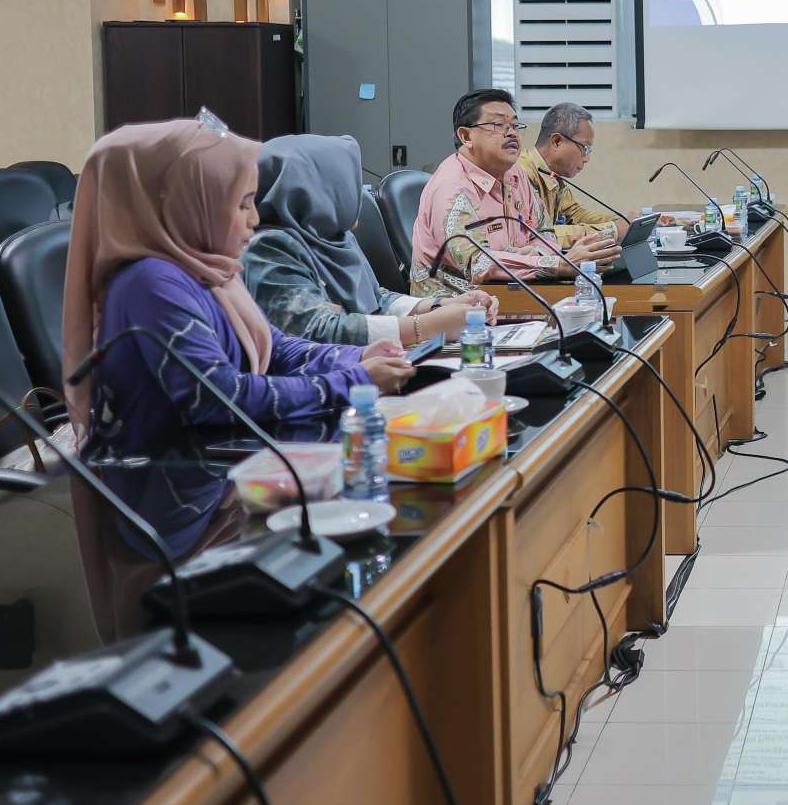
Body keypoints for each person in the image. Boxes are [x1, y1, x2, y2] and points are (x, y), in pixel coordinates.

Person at [61, 118, 410, 575]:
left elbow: (276, 347)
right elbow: (221, 397)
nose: (255, 219)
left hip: (217, 477)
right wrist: (353, 380)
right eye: (242, 204)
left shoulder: (205, 265)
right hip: (170, 503)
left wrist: (356, 356)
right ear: (188, 204)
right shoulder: (152, 282)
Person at [242, 133, 496, 346]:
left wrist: (440, 305)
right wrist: (425, 326)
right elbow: (317, 331)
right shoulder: (269, 248)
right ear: (318, 189)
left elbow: (373, 299)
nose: (355, 191)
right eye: (347, 182)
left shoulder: (336, 237)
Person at [411, 89, 607, 298]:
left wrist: (535, 253)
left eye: (514, 125)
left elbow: (545, 232)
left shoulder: (515, 174)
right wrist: (555, 264)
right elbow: (477, 264)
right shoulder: (452, 188)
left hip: (514, 297)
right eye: (498, 125)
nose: (511, 132)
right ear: (466, 136)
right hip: (456, 310)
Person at [520, 102, 631, 252]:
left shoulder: (551, 172)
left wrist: (622, 222)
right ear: (557, 141)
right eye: (584, 148)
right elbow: (540, 235)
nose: (587, 158)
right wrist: (611, 230)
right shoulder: (521, 174)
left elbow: (575, 214)